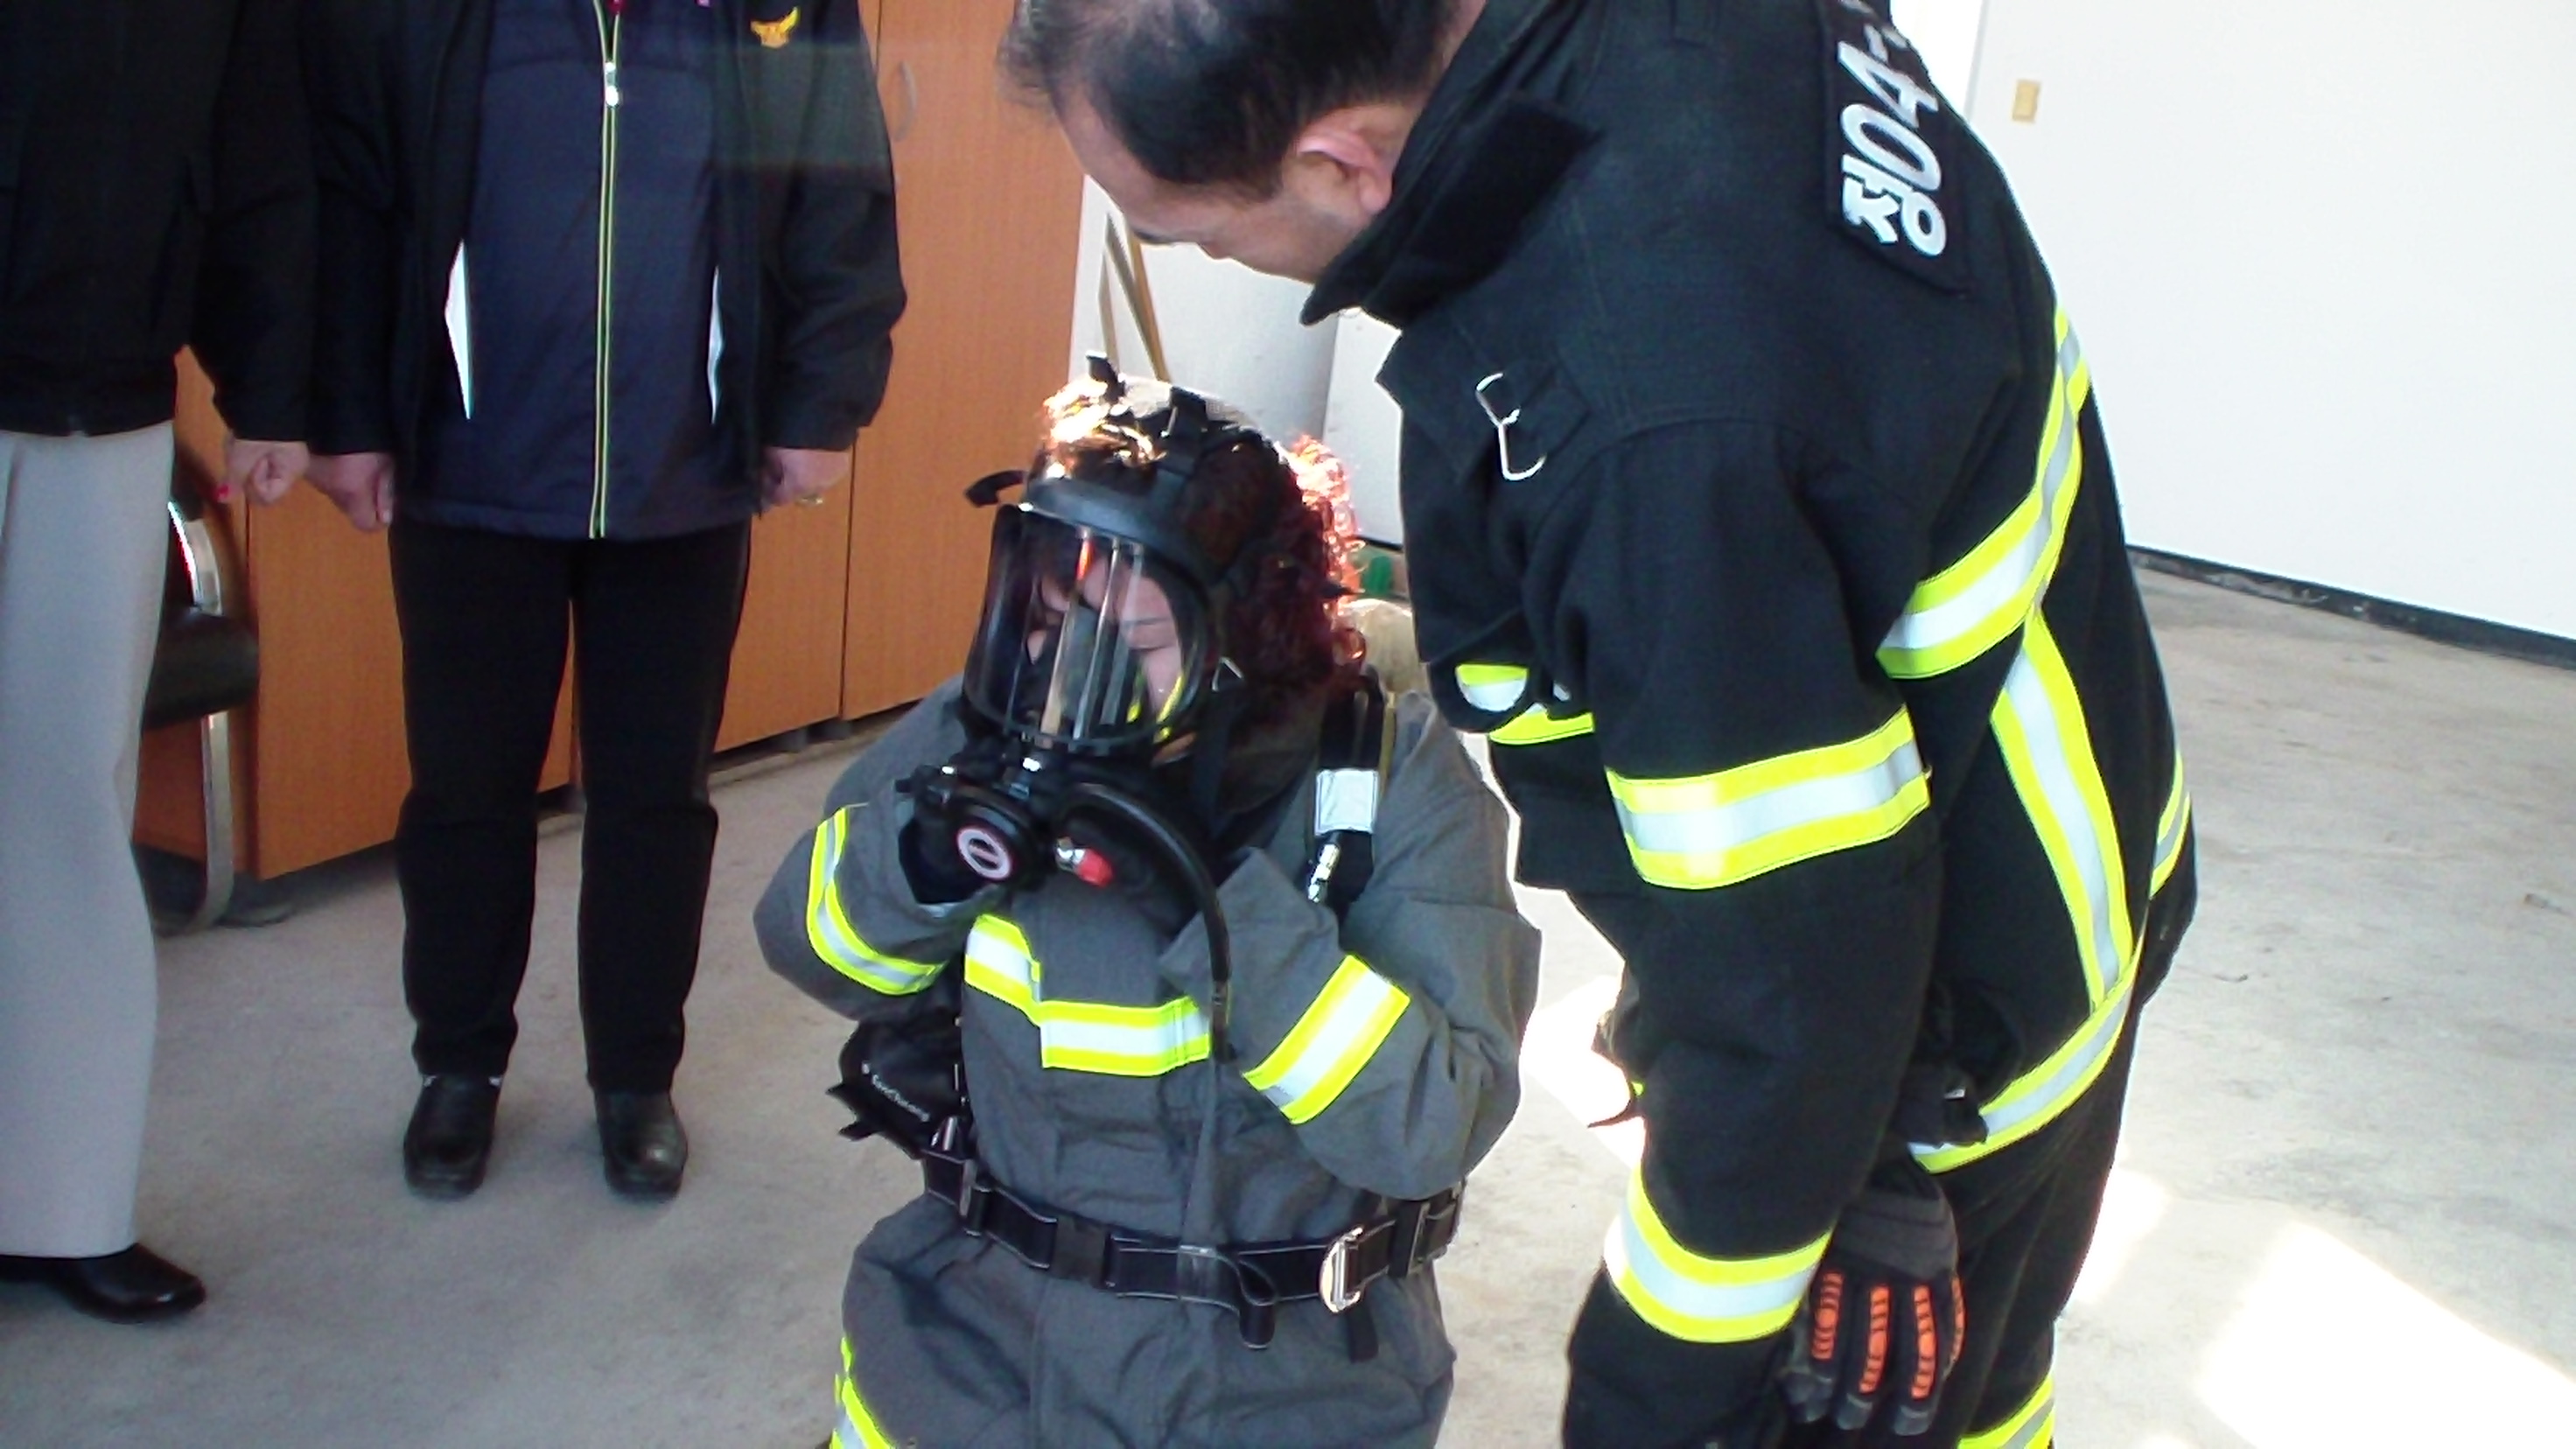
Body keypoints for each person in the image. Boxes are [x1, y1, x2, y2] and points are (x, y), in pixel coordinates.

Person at [1001, 3, 2199, 1446]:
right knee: (1984, 1388)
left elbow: (1791, 987)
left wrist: (1853, 1182)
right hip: (2072, 803)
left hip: (1962, 1008)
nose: (1212, 259)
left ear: (1341, 163)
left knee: (1880, 1397)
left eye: (1194, 234)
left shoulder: (1643, 430)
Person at [756, 370, 1540, 1446]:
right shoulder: (971, 731)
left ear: (1245, 633)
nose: (1069, 676)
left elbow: (1431, 1129)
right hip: (974, 1358)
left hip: (1272, 1390)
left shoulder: (1382, 779)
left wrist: (1216, 910)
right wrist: (924, 862)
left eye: (1130, 639)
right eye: (1046, 621)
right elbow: (808, 947)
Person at [300, 0, 905, 1200]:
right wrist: (348, 416)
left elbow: (841, 192)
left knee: (657, 797)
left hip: (682, 479)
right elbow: (347, 207)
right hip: (469, 471)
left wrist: (818, 403)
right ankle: (459, 1066)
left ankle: (635, 1078)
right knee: (465, 791)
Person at [0, 0, 312, 1320]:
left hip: (106, 407)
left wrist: (272, 390)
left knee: (65, 814)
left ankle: (59, 1206)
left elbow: (260, 166)